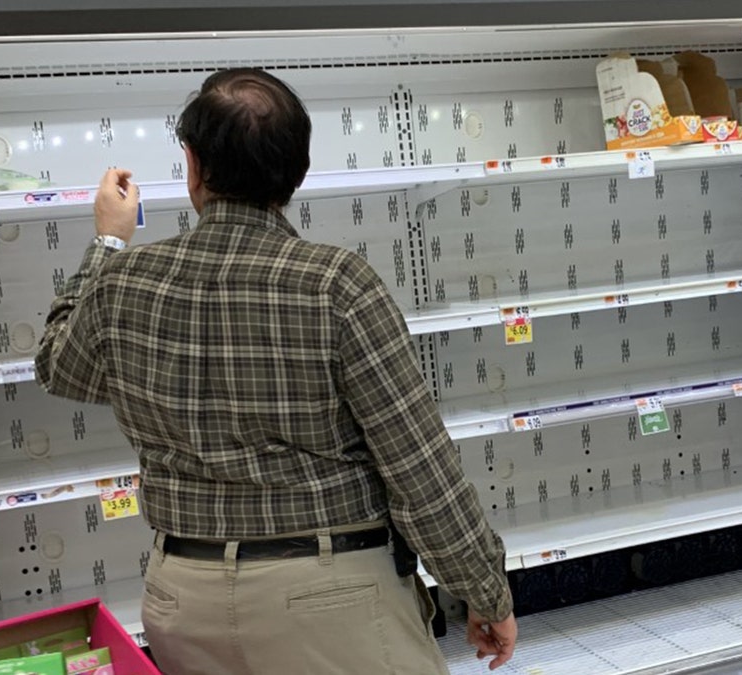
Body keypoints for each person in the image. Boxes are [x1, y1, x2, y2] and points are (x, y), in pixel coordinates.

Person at [35, 68, 516, 674]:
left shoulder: (125, 281)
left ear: (193, 164)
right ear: (298, 171)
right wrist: (484, 588)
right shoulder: (336, 285)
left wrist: (107, 244)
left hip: (181, 594)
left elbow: (60, 368)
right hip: (330, 595)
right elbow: (419, 468)